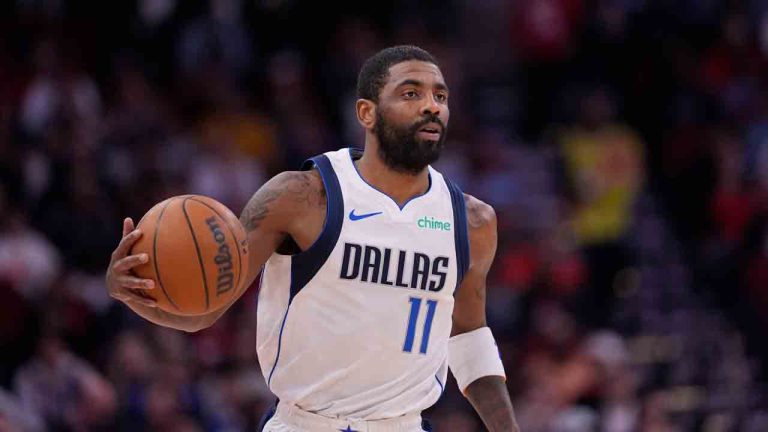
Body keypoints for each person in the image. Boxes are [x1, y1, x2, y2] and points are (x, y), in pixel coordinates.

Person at [106, 45, 520, 432]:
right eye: (411, 93)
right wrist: (131, 294)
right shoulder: (300, 197)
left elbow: (468, 337)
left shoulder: (472, 220)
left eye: (441, 97)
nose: (432, 106)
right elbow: (205, 310)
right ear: (367, 113)